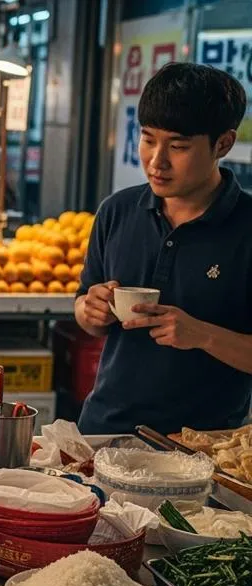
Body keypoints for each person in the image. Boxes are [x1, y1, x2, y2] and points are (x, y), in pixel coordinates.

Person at [75, 63, 252, 436]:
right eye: (148, 139)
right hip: (104, 431)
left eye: (178, 146)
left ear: (223, 143)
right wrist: (88, 310)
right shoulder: (117, 210)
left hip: (204, 449)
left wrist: (201, 334)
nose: (157, 161)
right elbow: (83, 306)